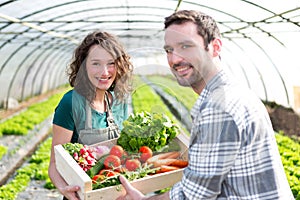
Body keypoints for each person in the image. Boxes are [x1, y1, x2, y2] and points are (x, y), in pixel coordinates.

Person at [117, 10, 294, 200]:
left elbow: (196, 195)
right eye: (169, 50)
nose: (175, 59)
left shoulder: (218, 107)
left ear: (215, 47)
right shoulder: (234, 90)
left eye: (186, 46)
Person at [48, 30, 133, 200]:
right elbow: (55, 164)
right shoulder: (71, 103)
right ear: (83, 66)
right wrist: (66, 190)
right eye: (96, 63)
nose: (104, 72)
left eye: (111, 63)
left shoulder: (119, 101)